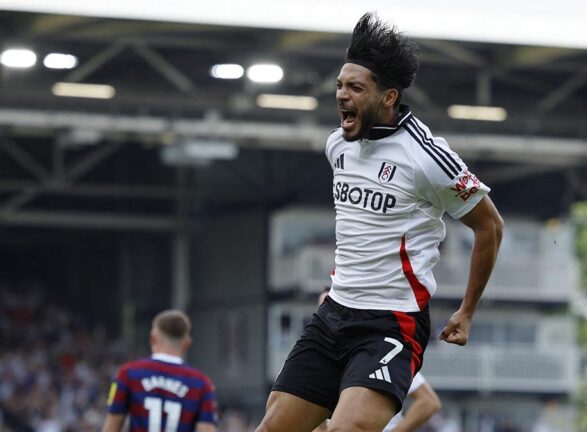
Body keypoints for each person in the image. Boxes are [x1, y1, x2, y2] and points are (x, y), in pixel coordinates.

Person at [255, 12, 504, 432]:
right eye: (339, 85)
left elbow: (490, 226)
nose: (341, 95)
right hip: (333, 313)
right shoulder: (338, 146)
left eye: (355, 87)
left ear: (388, 97)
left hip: (391, 322)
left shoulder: (427, 157)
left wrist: (466, 311)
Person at [313, 289, 442, 432]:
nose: (330, 315)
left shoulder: (384, 356)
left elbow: (429, 402)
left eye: (335, 308)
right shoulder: (318, 360)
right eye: (324, 309)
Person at [102, 309, 218, 432]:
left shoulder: (128, 374)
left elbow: (111, 427)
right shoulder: (201, 384)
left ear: (153, 338)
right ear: (187, 344)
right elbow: (207, 429)